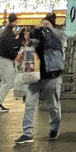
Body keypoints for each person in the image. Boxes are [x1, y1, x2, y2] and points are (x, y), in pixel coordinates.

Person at [15, 13, 65, 144]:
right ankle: (27, 133)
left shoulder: (59, 35)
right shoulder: (37, 36)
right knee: (29, 104)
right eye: (41, 23)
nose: (42, 26)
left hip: (51, 75)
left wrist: (47, 28)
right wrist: (29, 37)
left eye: (46, 24)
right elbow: (28, 45)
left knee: (53, 105)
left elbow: (54, 40)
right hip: (34, 75)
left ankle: (54, 128)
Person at [0, 14, 21, 111]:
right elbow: (8, 47)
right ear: (15, 21)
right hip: (3, 59)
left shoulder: (6, 31)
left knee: (8, 82)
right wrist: (15, 56)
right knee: (9, 82)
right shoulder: (8, 33)